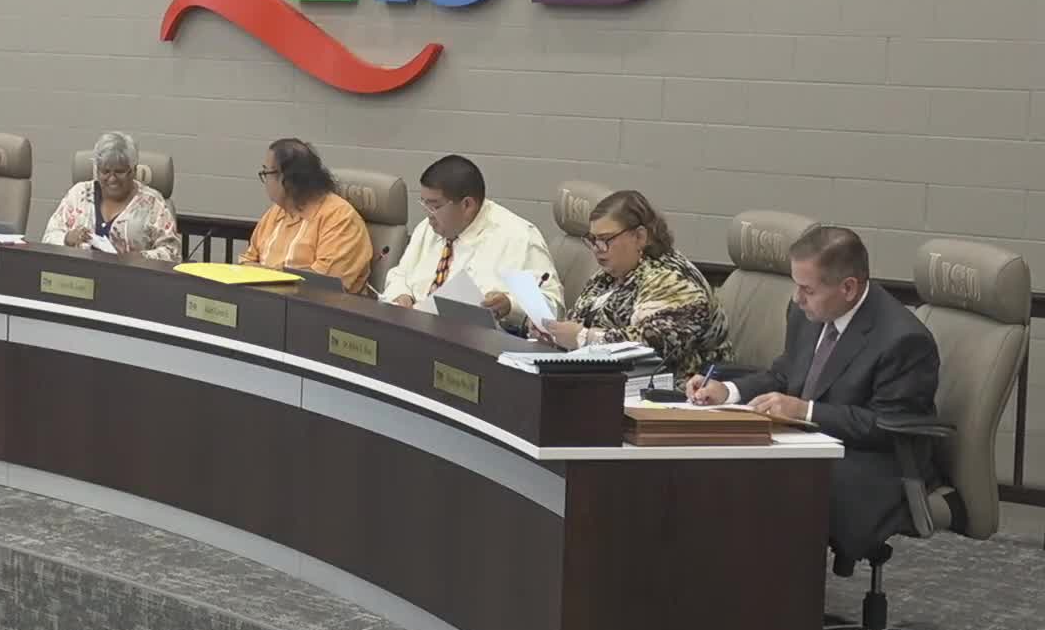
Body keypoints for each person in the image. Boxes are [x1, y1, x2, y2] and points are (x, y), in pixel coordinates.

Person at [686, 226, 939, 571]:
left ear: (848, 288)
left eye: (807, 289)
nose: (796, 298)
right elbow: (784, 375)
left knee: (771, 483)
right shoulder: (808, 313)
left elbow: (885, 427)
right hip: (811, 443)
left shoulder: (903, 339)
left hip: (874, 461)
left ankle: (777, 594)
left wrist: (805, 410)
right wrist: (729, 391)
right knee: (716, 462)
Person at [537, 189, 731, 378]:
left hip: (675, 389)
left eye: (605, 239)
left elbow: (655, 347)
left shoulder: (673, 279)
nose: (597, 248)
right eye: (592, 239)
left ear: (640, 237)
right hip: (607, 381)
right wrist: (555, 334)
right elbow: (579, 325)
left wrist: (584, 338)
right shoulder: (608, 275)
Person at [379, 154, 560, 328]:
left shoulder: (517, 238)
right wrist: (402, 295)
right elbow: (400, 274)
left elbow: (550, 310)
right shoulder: (428, 228)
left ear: (467, 205)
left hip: (478, 342)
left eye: (434, 206)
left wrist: (510, 305)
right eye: (424, 203)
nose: (428, 214)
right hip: (416, 332)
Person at [240, 138, 372, 294]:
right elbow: (247, 262)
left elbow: (322, 284)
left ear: (287, 178)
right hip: (267, 300)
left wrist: (264, 275)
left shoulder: (340, 218)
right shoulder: (276, 212)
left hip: (315, 306)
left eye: (266, 172)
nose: (265, 179)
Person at [41, 132, 180, 261]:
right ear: (97, 170)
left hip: (132, 277)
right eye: (105, 171)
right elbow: (48, 238)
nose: (112, 179)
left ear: (133, 170)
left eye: (119, 172)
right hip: (78, 275)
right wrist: (67, 239)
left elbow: (172, 253)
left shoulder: (152, 203)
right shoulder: (78, 194)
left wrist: (138, 258)